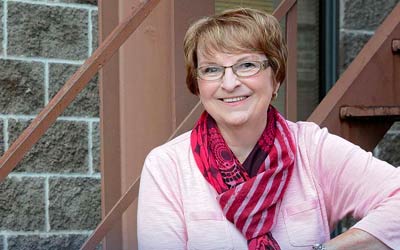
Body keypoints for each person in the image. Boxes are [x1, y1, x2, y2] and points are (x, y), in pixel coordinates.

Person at [137, 8, 400, 250]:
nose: (229, 83)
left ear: (275, 78)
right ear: (197, 85)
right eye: (212, 69)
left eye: (247, 65)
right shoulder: (167, 166)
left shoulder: (311, 148)